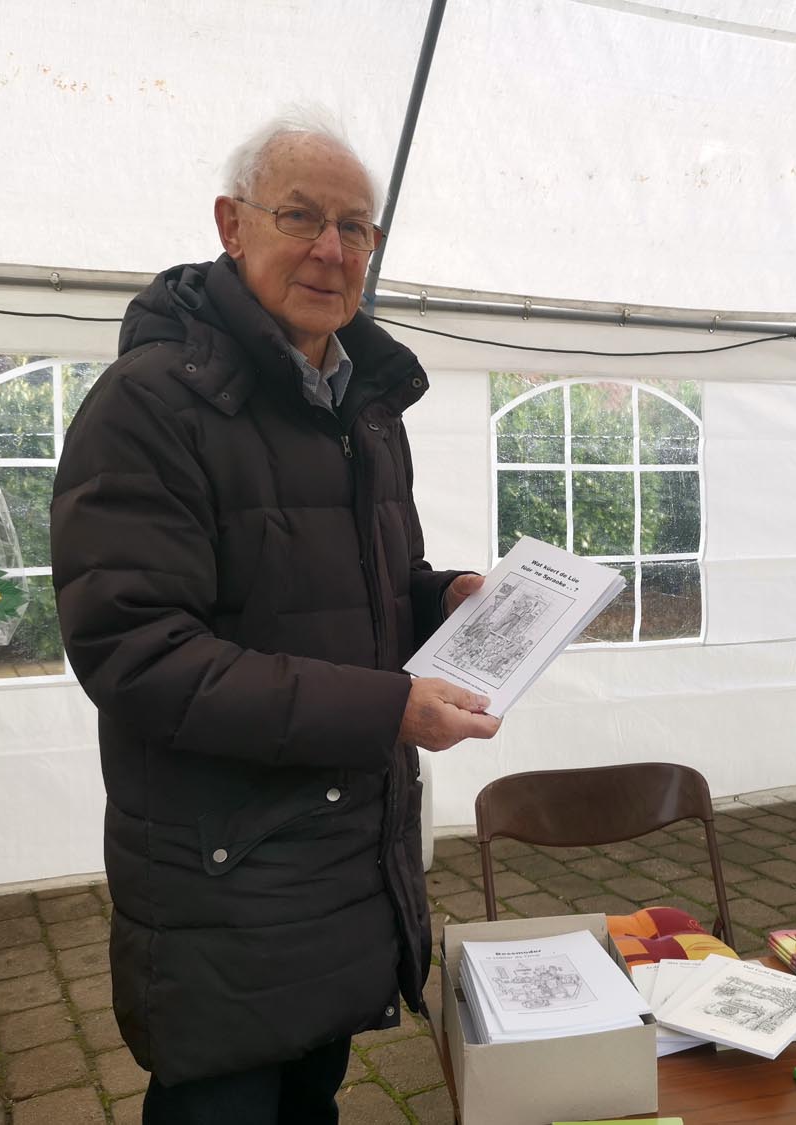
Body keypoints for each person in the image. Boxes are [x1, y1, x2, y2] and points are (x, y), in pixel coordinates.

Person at [50, 110, 501, 1124]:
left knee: (312, 1100)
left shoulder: (362, 407)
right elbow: (140, 654)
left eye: (356, 227)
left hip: (341, 866)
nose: (331, 250)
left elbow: (355, 590)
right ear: (232, 224)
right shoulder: (150, 407)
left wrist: (447, 599)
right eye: (300, 216)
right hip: (227, 882)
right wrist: (386, 711)